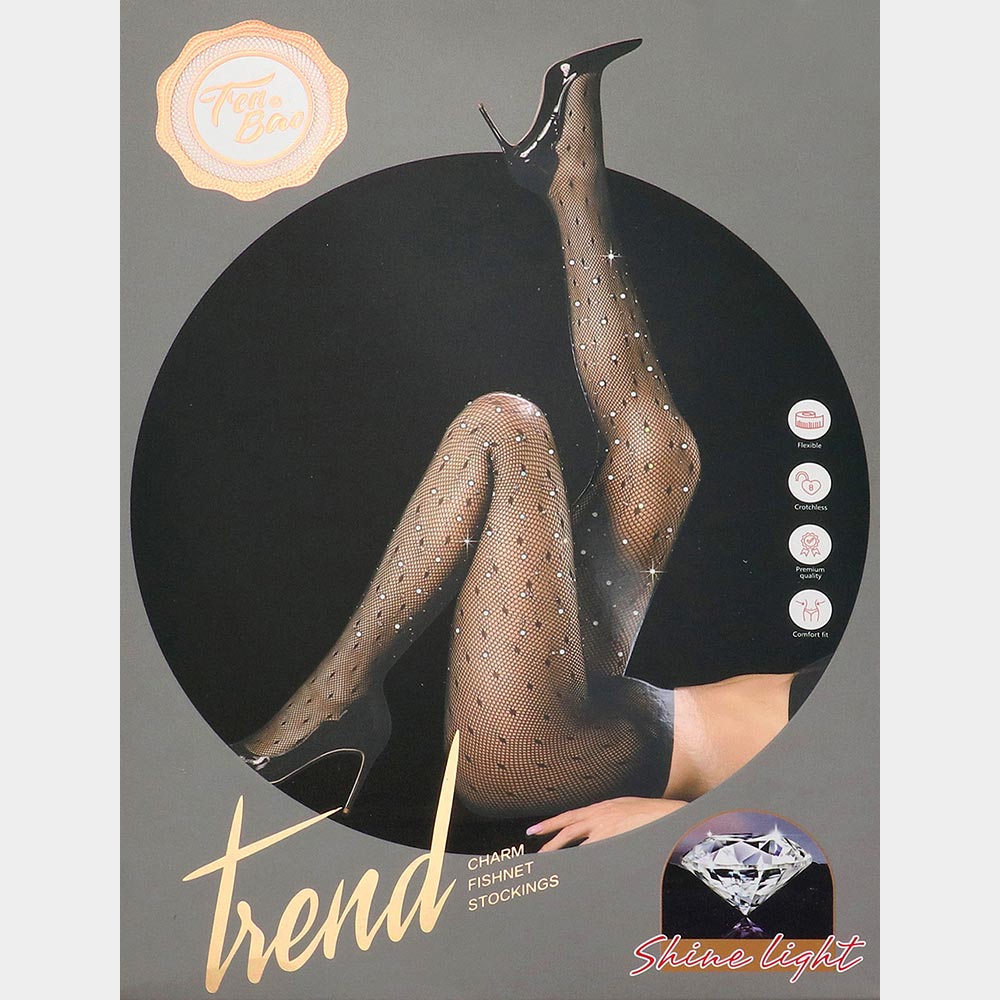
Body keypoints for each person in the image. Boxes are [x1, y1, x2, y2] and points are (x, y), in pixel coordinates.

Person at [232, 39, 816, 850]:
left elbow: (855, 809)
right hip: (618, 706)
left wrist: (670, 818)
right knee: (662, 452)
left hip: (548, 756)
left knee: (503, 426)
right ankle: (569, 181)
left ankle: (337, 702)